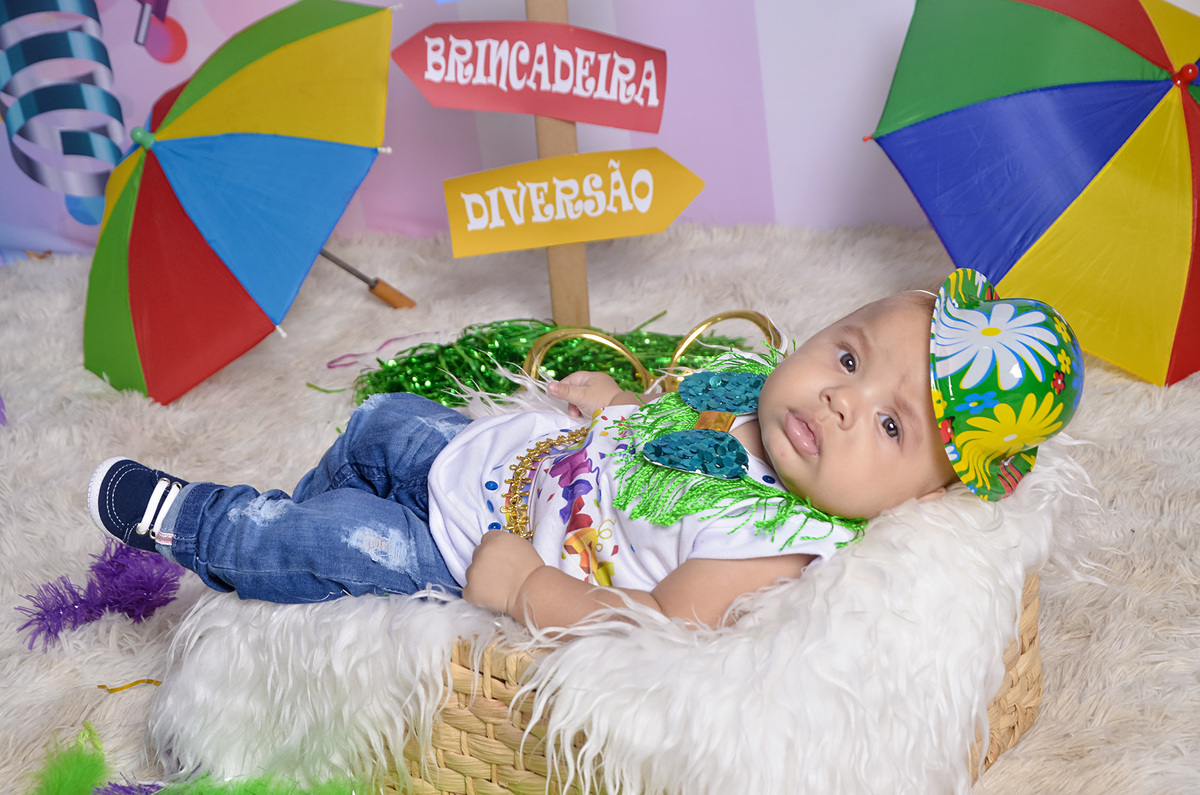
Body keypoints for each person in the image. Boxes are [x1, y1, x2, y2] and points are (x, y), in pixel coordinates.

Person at [87, 269, 1084, 630]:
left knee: (337, 542)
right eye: (850, 353)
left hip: (473, 555)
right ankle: (294, 551)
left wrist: (522, 586)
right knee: (381, 419)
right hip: (498, 457)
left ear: (923, 500)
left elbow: (645, 622)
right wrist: (618, 401)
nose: (840, 396)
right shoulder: (751, 407)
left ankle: (204, 520)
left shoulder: (770, 550)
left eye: (893, 424)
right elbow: (673, 419)